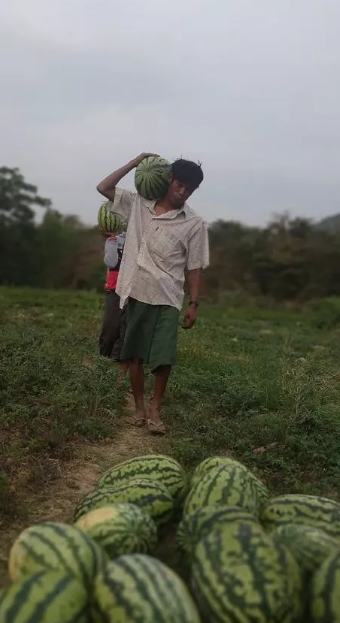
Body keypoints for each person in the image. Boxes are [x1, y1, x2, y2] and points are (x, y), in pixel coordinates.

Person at [96, 152, 209, 435]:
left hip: (168, 296)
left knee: (163, 356)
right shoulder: (138, 205)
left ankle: (155, 406)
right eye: (179, 185)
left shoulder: (194, 223)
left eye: (189, 189)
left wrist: (194, 303)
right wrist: (135, 163)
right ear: (169, 178)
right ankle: (138, 407)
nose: (183, 192)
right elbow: (103, 188)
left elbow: (195, 267)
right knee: (133, 354)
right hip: (136, 289)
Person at [98, 225, 129, 381]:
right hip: (115, 289)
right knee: (111, 326)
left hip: (132, 290)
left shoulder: (142, 241)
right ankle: (103, 359)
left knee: (126, 328)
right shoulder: (116, 240)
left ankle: (118, 362)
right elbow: (111, 262)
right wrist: (111, 240)